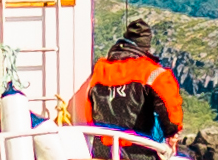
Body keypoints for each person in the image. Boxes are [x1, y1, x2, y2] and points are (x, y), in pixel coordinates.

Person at [76, 15, 187, 151]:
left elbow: (88, 112)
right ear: (146, 47)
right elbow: (172, 119)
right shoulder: (154, 74)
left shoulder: (99, 70)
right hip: (139, 155)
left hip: (102, 153)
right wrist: (172, 134)